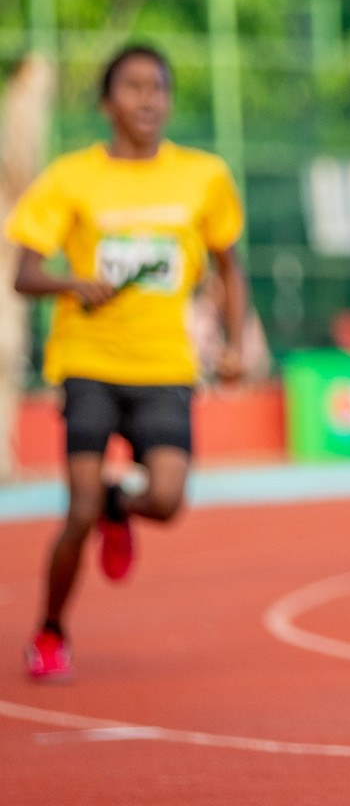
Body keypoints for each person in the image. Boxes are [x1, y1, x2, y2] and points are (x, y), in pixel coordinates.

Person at [7, 45, 246, 681]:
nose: (148, 99)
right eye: (134, 87)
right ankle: (51, 631)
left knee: (166, 500)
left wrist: (233, 341)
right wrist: (72, 284)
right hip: (88, 361)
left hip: (165, 366)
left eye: (159, 88)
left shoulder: (203, 176)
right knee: (77, 510)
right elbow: (25, 273)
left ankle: (122, 503)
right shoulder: (70, 177)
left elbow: (229, 264)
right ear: (107, 102)